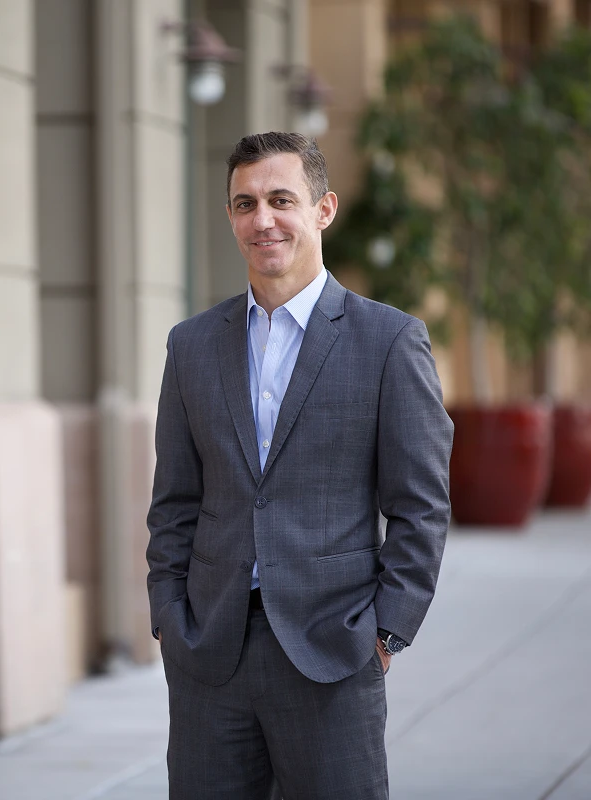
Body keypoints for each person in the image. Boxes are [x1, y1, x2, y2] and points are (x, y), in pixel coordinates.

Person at [146, 131, 454, 800]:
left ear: (324, 209)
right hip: (209, 655)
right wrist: (168, 616)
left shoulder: (388, 341)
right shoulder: (192, 346)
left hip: (332, 653)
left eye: (281, 199)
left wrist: (386, 631)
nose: (263, 220)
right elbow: (174, 501)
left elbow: (420, 506)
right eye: (244, 203)